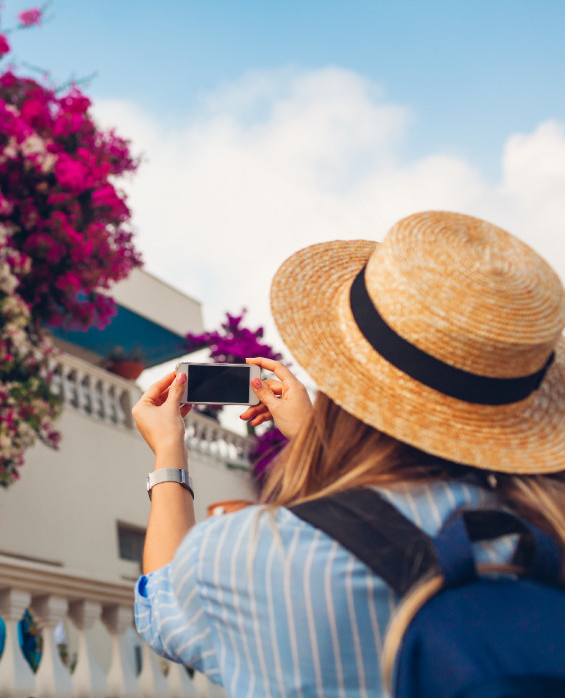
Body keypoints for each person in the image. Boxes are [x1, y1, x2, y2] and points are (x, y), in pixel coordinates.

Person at [131, 211, 565, 697]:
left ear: (342, 374)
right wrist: (313, 434)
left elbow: (158, 605)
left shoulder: (247, 553)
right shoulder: (546, 529)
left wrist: (169, 452)